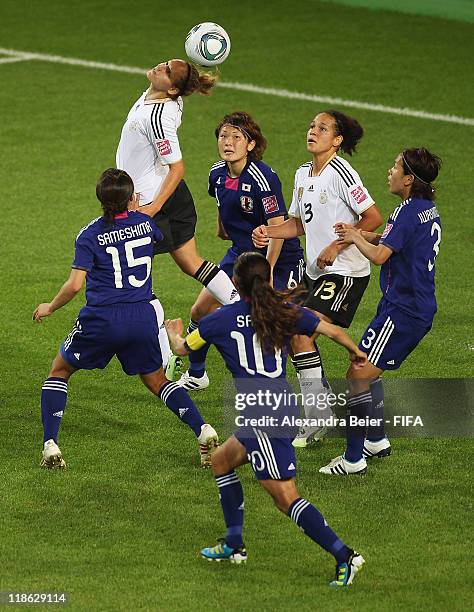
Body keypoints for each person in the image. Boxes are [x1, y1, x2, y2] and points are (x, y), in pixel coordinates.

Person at [166, 252, 368, 587]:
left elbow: (182, 350)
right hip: (279, 406)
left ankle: (345, 555)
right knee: (220, 461)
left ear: (235, 283)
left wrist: (173, 331)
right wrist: (355, 351)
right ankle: (234, 544)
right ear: (268, 280)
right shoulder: (285, 311)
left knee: (285, 497)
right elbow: (329, 330)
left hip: (262, 417)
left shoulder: (217, 320)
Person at [33, 169, 218, 470]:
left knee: (60, 370)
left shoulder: (89, 234)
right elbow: (146, 237)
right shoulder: (146, 224)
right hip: (142, 316)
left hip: (103, 318)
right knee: (157, 380)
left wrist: (50, 307)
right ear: (132, 198)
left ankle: (51, 445)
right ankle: (203, 430)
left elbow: (75, 285)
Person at [252, 110, 383, 447]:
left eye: (322, 128)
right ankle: (319, 406)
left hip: (344, 273)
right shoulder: (302, 174)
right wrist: (269, 231)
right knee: (286, 328)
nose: (313, 131)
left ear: (337, 140)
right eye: (311, 126)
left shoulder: (342, 172)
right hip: (314, 273)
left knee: (300, 332)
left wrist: (337, 245)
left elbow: (372, 217)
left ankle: (317, 414)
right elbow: (298, 224)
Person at [319, 147, 442, 475]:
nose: (390, 171)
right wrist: (357, 234)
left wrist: (356, 239)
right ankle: (375, 439)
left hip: (403, 311)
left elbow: (379, 256)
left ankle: (354, 458)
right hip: (408, 306)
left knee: (358, 376)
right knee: (363, 368)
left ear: (409, 179)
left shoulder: (406, 211)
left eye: (395, 166)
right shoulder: (425, 209)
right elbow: (391, 239)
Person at [178, 111, 304, 391]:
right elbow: (222, 202)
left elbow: (277, 227)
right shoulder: (216, 174)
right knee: (200, 310)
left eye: (236, 137)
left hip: (280, 259)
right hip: (240, 256)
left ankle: (308, 391)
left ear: (250, 145)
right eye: (223, 136)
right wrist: (223, 227)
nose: (228, 142)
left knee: (282, 329)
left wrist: (268, 273)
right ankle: (197, 374)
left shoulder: (263, 177)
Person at [115, 59, 237, 313]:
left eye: (167, 71)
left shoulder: (159, 119)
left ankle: (161, 344)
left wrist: (152, 209)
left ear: (172, 89)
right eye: (166, 63)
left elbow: (178, 168)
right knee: (191, 263)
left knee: (127, 269)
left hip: (154, 202)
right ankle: (245, 311)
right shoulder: (158, 95)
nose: (160, 66)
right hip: (155, 197)